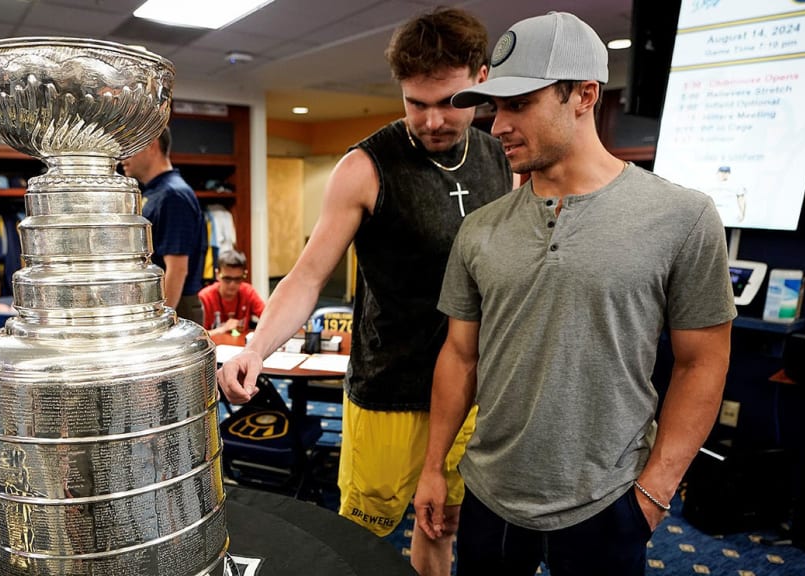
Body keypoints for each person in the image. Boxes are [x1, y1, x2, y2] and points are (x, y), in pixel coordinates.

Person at [413, 12, 736, 575]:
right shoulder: (481, 229)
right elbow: (460, 354)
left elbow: (702, 363)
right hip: (491, 493)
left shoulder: (682, 217)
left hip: (608, 501)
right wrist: (434, 465)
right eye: (495, 106)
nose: (498, 125)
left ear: (584, 94)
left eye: (519, 104)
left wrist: (655, 493)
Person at [217, 7, 512, 575]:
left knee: (441, 524)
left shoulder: (501, 156)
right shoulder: (366, 166)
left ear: (481, 78)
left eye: (449, 101)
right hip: (389, 390)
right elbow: (305, 276)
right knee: (361, 538)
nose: (431, 121)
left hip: (473, 384)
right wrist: (256, 348)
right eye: (415, 103)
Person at [121, 126, 207, 324]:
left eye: (129, 148)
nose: (123, 158)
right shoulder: (155, 193)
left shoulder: (173, 195)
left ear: (151, 145)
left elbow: (177, 269)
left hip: (176, 306)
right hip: (158, 303)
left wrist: (160, 320)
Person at [198, 249, 264, 337]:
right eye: (227, 279)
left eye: (238, 279)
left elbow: (268, 317)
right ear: (217, 274)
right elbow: (197, 337)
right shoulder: (205, 297)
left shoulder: (248, 292)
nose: (232, 284)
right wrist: (222, 329)